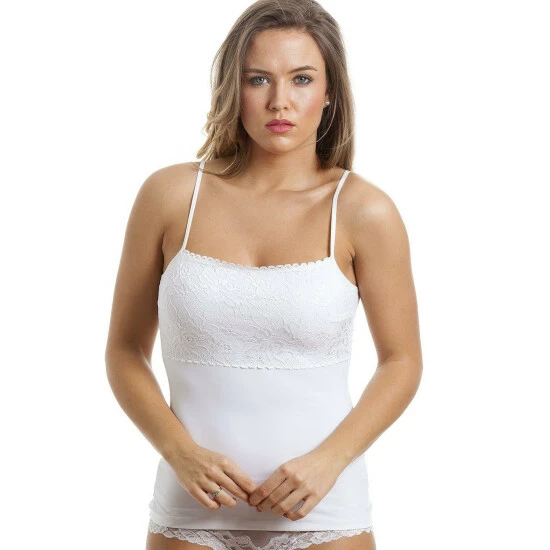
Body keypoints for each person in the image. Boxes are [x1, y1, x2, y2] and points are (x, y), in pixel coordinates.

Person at [105, 1, 423, 549]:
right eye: (258, 79)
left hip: (324, 511)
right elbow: (124, 351)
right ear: (233, 87)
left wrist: (329, 461)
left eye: (302, 79)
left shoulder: (364, 210)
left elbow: (402, 362)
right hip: (191, 508)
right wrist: (179, 452)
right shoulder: (170, 196)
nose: (280, 101)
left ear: (330, 91)